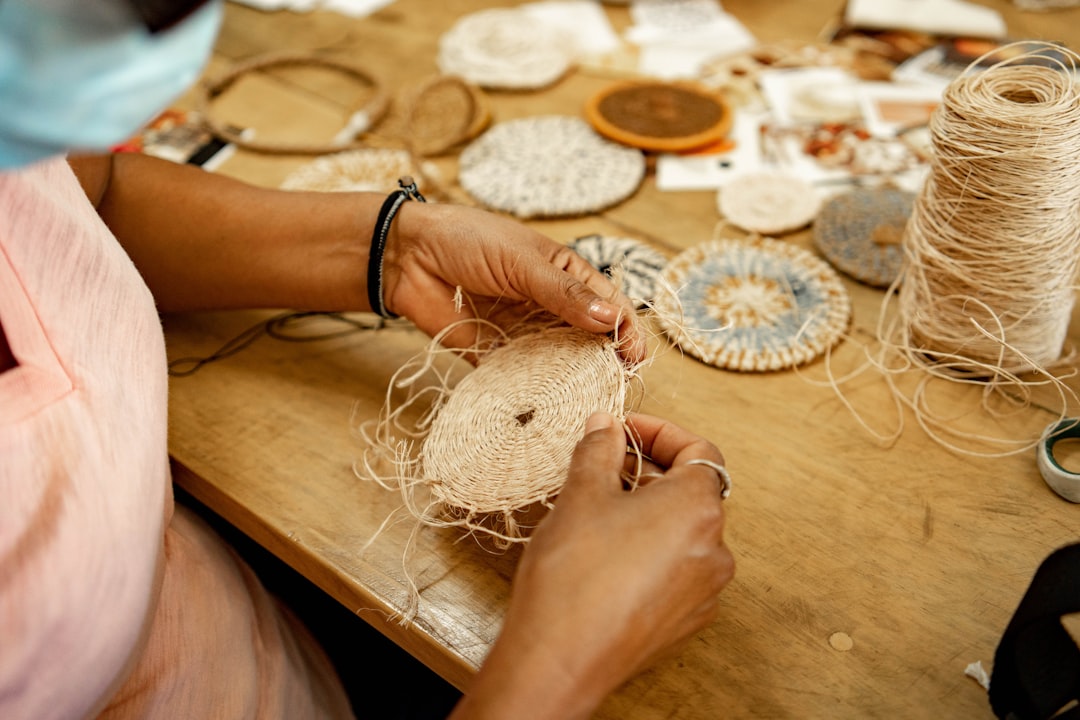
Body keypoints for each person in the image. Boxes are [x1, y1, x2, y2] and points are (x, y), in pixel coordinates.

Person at [0, 0, 736, 718]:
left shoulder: (25, 119)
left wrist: (395, 251)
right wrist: (560, 659)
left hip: (241, 635)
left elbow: (88, 198)